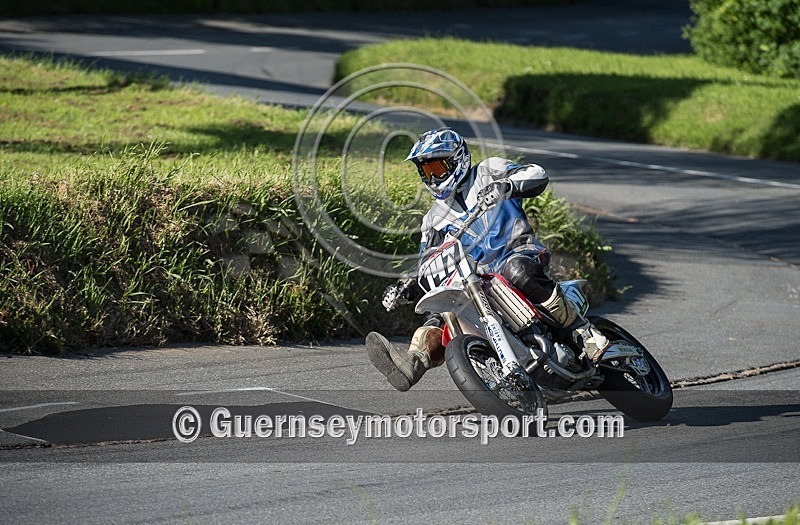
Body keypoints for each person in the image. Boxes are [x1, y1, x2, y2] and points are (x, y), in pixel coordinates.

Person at [366, 127, 608, 391]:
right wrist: (405, 285)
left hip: (517, 254)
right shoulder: (433, 219)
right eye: (427, 171)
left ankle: (584, 332)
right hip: (475, 282)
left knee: (517, 270)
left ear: (457, 158)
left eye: (437, 167)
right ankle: (412, 363)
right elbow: (427, 262)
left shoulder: (488, 171)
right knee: (442, 313)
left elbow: (536, 173)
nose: (433, 177)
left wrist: (507, 185)